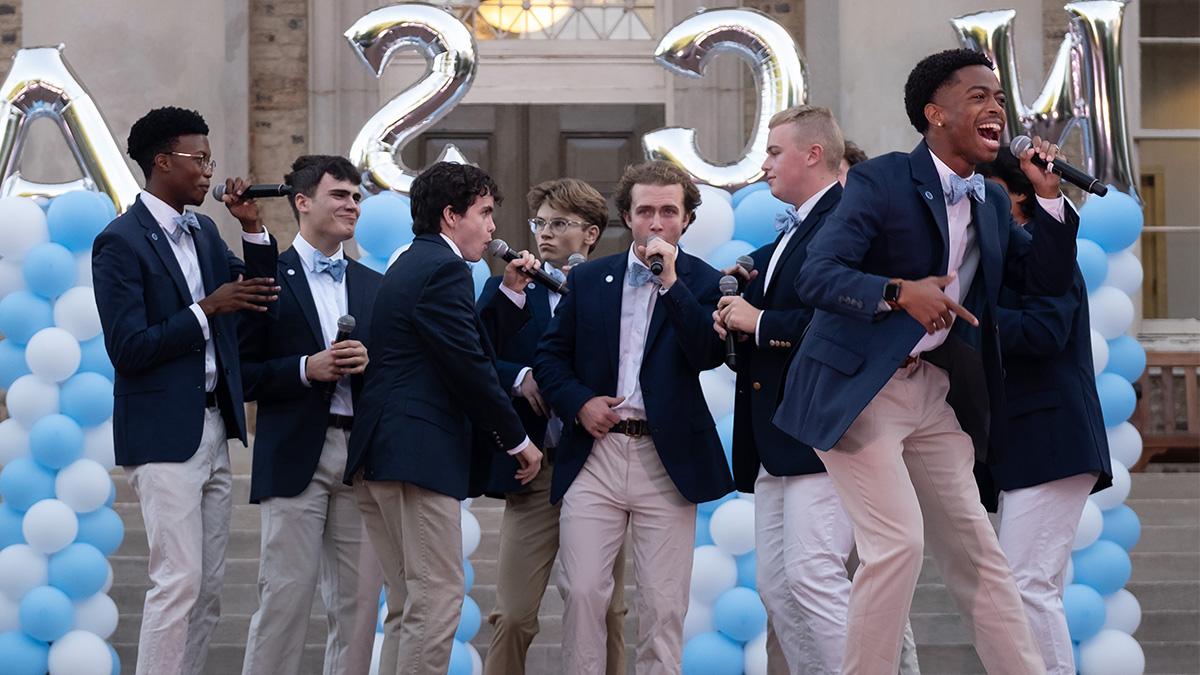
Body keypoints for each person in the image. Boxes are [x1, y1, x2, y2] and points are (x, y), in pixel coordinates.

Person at [774, 48, 1079, 674]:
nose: (995, 107)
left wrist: (1048, 202)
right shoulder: (881, 179)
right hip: (857, 389)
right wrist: (896, 292)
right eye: (978, 96)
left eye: (999, 98)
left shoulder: (993, 203)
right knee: (897, 545)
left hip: (932, 393)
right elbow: (817, 274)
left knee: (980, 556)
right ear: (935, 113)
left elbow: (1042, 278)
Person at [92, 106, 279, 675]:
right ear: (162, 161)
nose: (207, 171)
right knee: (178, 582)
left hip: (214, 426)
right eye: (198, 159)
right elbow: (128, 349)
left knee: (210, 586)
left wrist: (250, 227)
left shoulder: (202, 230)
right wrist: (204, 311)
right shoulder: (119, 242)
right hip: (163, 433)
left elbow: (258, 295)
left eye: (209, 160)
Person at [534, 160, 734, 674]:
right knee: (581, 593)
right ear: (628, 216)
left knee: (664, 605)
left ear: (686, 220)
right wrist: (579, 401)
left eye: (669, 211)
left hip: (665, 459)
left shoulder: (705, 282)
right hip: (596, 454)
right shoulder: (591, 280)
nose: (657, 222)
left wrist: (670, 282)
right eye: (645, 211)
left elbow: (707, 354)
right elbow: (551, 358)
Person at [344, 161, 543, 675]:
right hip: (415, 454)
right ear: (451, 217)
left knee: (411, 602)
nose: (494, 227)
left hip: (384, 452)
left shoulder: (416, 261)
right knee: (437, 598)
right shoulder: (444, 267)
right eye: (484, 213)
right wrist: (517, 439)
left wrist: (510, 292)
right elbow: (468, 366)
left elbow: (456, 340)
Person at [713, 105, 851, 675]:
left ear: (812, 154)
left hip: (823, 432)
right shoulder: (796, 227)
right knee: (779, 586)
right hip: (775, 434)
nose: (764, 164)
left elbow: (847, 320)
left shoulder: (846, 220)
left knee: (815, 577)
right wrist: (738, 314)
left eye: (773, 152)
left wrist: (759, 322)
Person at [475, 178, 629, 675]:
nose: (543, 233)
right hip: (537, 469)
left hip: (601, 465)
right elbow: (472, 356)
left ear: (590, 233)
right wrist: (520, 377)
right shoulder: (515, 287)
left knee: (607, 609)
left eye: (558, 224)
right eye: (539, 222)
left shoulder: (617, 289)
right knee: (514, 614)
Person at [238, 155, 384, 675]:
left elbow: (393, 375)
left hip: (360, 457)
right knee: (284, 600)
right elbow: (243, 374)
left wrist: (369, 365)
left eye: (356, 196)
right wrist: (306, 368)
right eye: (340, 195)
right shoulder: (265, 275)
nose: (352, 205)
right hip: (295, 450)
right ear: (302, 202)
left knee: (360, 609)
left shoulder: (373, 284)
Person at [980, 149, 1113, 675]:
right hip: (1019, 446)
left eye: (984, 192)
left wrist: (968, 326)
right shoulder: (990, 262)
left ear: (1016, 195)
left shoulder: (1040, 252)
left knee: (1026, 585)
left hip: (1054, 438)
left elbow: (1042, 332)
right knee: (1031, 585)